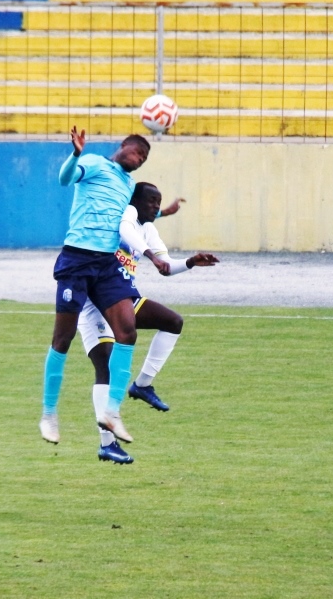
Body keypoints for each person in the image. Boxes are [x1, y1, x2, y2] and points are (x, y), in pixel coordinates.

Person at [78, 182, 219, 464]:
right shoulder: (126, 217)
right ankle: (107, 444)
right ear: (135, 202)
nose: (156, 207)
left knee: (173, 322)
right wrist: (151, 256)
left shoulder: (148, 229)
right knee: (105, 369)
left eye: (159, 202)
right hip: (93, 305)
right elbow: (126, 231)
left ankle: (142, 385)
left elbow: (165, 267)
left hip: (123, 299)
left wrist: (190, 262)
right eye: (151, 201)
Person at [39, 127, 157, 447]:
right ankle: (48, 414)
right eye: (138, 153)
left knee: (127, 332)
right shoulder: (93, 163)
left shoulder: (128, 184)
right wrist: (75, 153)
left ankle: (112, 412)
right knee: (62, 338)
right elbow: (65, 179)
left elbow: (133, 218)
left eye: (144, 159)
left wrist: (161, 217)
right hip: (77, 259)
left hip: (106, 264)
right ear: (124, 146)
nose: (140, 160)